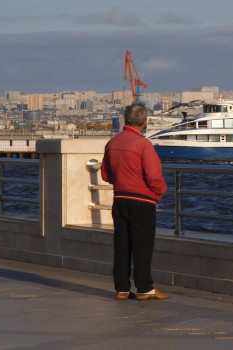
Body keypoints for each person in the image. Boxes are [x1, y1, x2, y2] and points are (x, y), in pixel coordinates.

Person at [101, 102, 170, 301]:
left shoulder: (112, 143)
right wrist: (159, 192)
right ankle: (144, 288)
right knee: (142, 245)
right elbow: (154, 176)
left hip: (120, 199)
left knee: (122, 245)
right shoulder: (143, 144)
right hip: (143, 201)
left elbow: (106, 174)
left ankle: (122, 288)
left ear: (125, 119)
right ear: (145, 122)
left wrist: (121, 183)